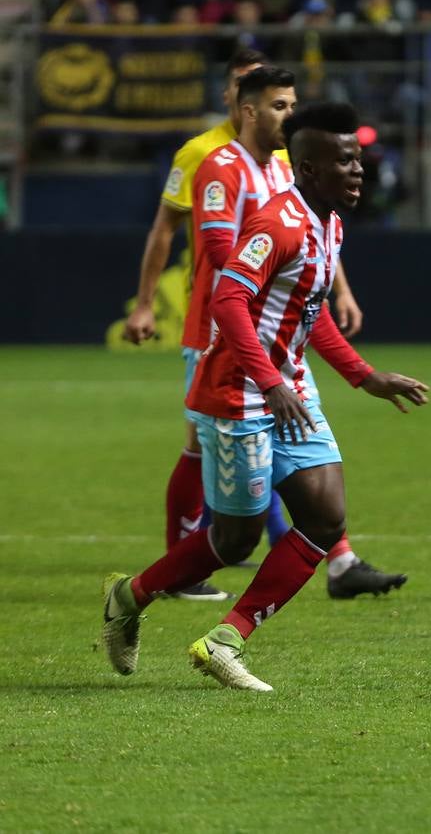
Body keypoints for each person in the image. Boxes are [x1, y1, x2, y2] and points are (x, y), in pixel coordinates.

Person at [101, 103, 431, 692]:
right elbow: (227, 300)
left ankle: (225, 640)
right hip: (237, 392)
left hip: (289, 386)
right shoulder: (278, 223)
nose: (359, 171)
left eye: (358, 159)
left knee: (326, 518)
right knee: (234, 539)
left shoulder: (328, 222)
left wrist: (363, 376)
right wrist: (270, 381)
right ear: (306, 167)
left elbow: (312, 312)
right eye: (345, 161)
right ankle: (128, 597)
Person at [119, 49, 394, 600]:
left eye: (292, 104)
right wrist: (261, 274)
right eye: (278, 105)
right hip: (227, 333)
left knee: (306, 483)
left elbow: (311, 249)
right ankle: (186, 566)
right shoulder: (210, 160)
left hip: (280, 340)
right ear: (248, 108)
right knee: (205, 454)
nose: (287, 114)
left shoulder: (291, 169)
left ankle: (334, 561)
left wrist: (329, 294)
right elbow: (205, 243)